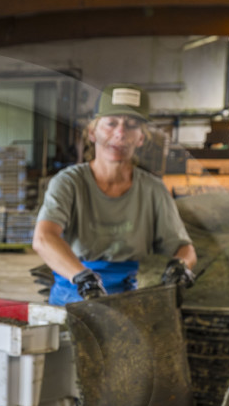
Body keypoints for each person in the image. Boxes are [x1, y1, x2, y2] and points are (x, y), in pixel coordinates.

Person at [32, 84, 197, 305]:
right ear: (92, 132)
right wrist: (83, 278)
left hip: (129, 297)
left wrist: (181, 265)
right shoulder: (69, 182)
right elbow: (44, 238)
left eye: (131, 125)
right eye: (111, 123)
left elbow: (185, 248)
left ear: (141, 138)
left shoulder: (153, 190)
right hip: (73, 294)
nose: (120, 133)